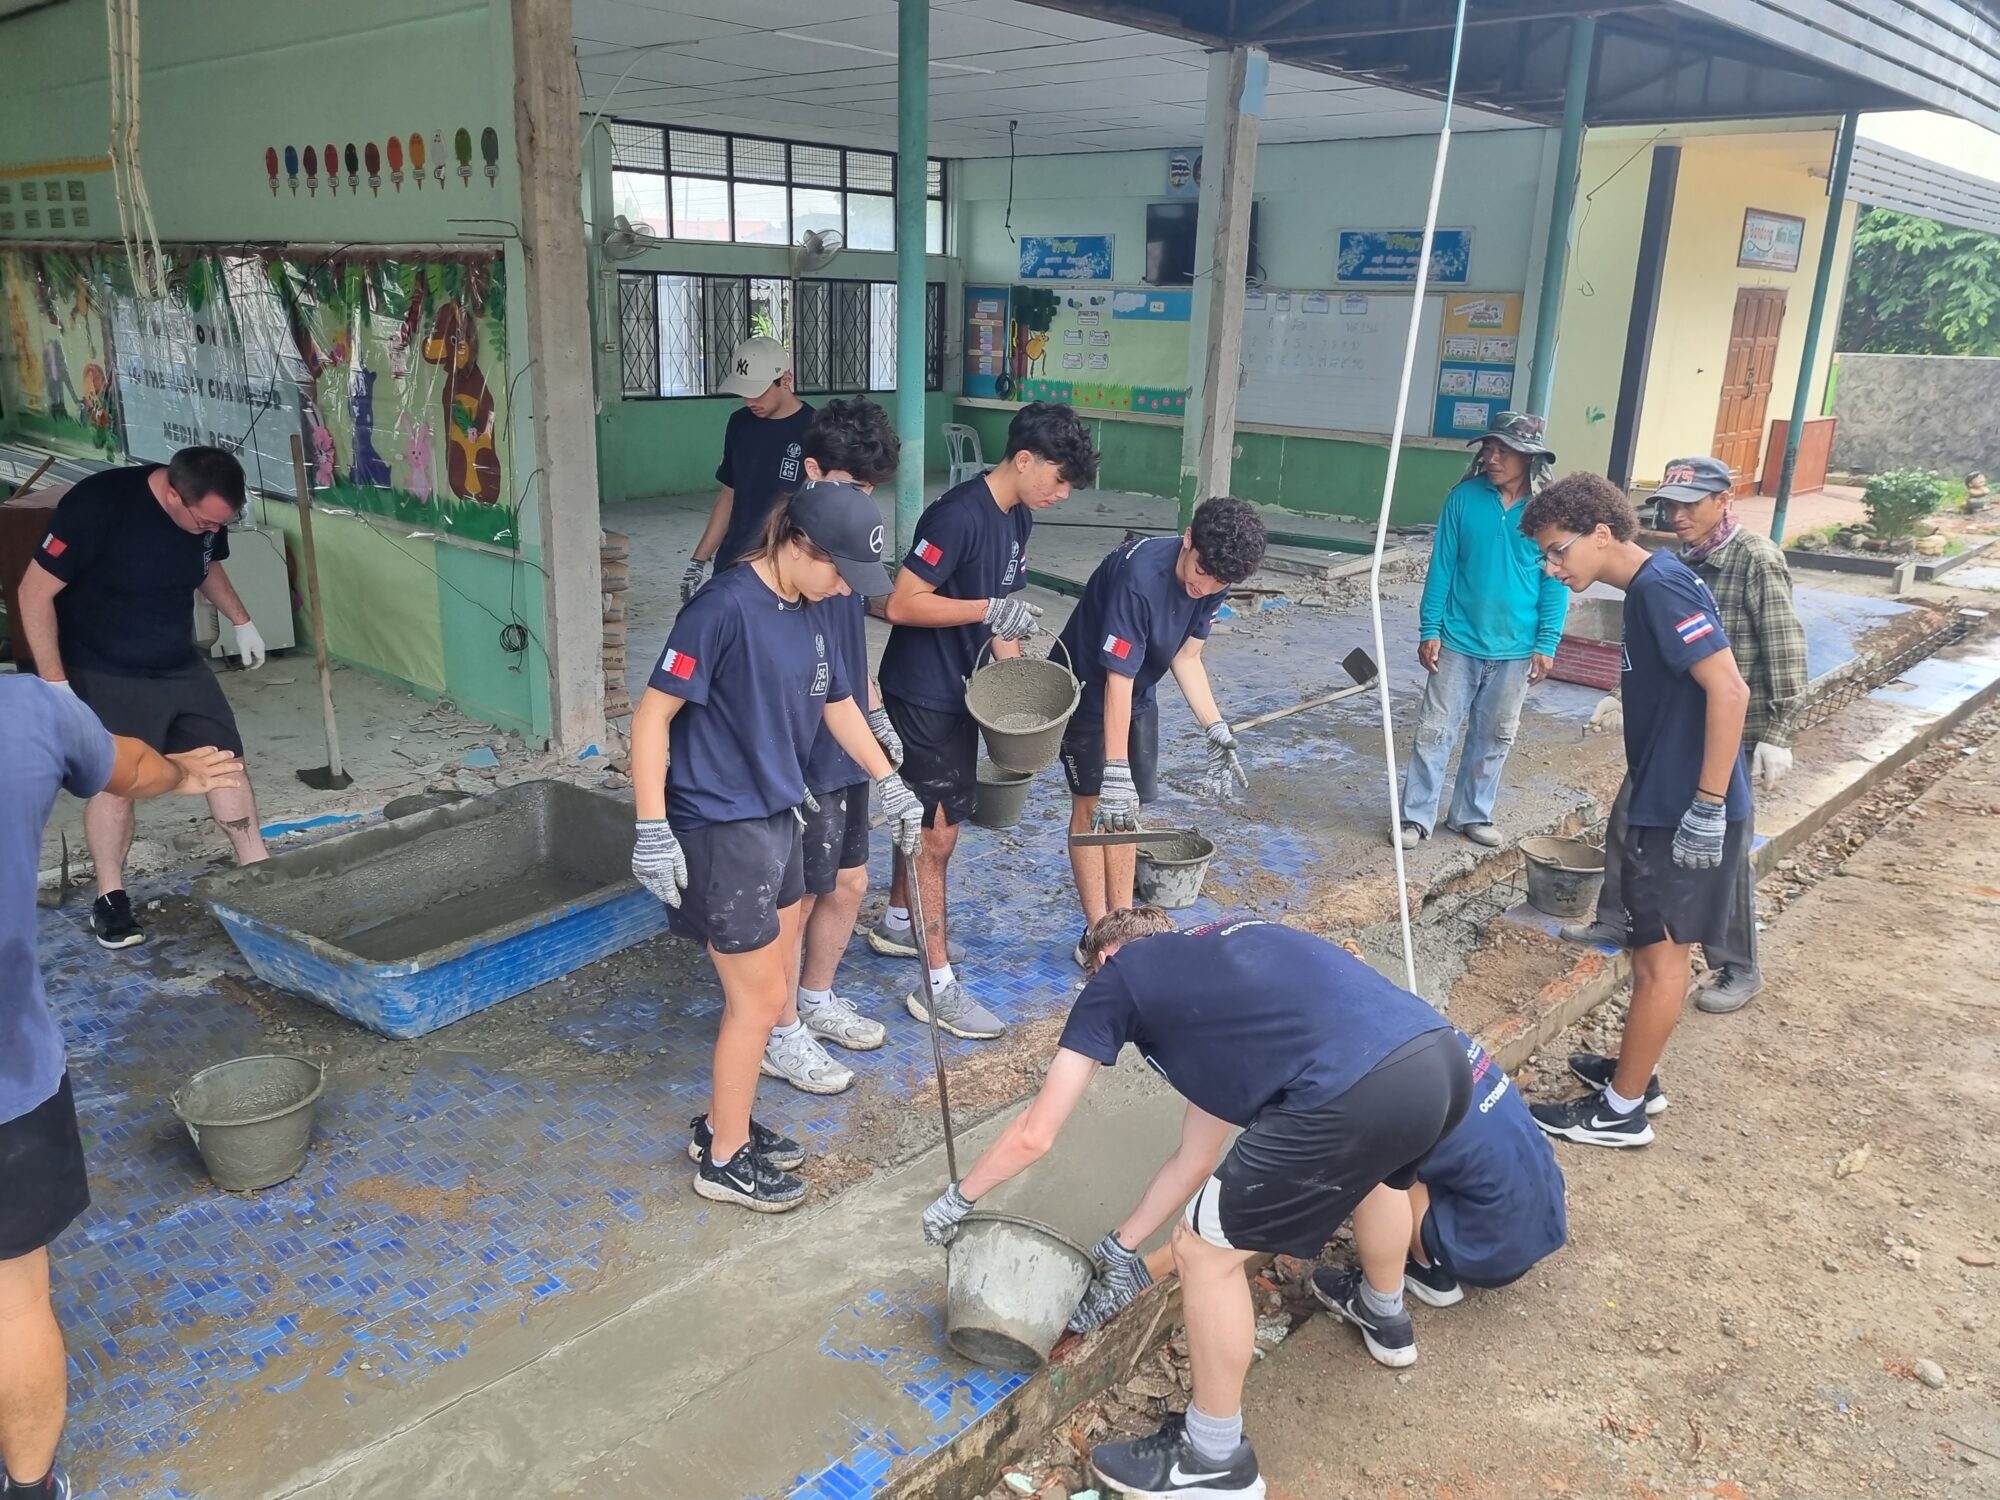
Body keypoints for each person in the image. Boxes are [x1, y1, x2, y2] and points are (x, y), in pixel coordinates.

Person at [922, 908, 1471, 1500]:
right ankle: (1384, 1313)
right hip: (1438, 1059)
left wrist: (959, 1198)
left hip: (1357, 1087)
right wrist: (1123, 1251)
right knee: (1378, 1178)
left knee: (1204, 1250)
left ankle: (1211, 1458)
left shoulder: (1120, 977)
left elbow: (1037, 1132)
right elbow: (1196, 1156)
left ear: (1104, 959)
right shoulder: (1226, 965)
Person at [629, 482, 926, 1210]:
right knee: (758, 1003)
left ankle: (720, 1126)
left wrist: (890, 781)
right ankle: (723, 1162)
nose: (845, 588)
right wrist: (649, 826)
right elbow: (650, 719)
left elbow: (835, 703)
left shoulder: (816, 606)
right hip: (720, 822)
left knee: (777, 977)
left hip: (779, 812)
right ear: (797, 544)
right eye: (838, 570)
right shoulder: (721, 610)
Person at [2, 675, 244, 1500]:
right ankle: (30, 1488)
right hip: (7, 1080)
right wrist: (184, 774)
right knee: (12, 1299)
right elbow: (133, 767)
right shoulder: (30, 713)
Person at [1520, 473, 1751, 1149]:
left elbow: (1729, 691)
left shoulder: (1661, 588)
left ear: (1600, 534)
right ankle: (1634, 1076)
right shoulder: (1651, 587)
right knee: (1650, 946)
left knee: (1660, 959)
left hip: (1685, 807)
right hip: (1666, 794)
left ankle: (1622, 1113)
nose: (1552, 566)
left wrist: (1706, 807)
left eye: (1558, 551)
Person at [870, 402, 1099, 1040]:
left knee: (929, 818)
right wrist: (990, 608)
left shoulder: (1018, 516)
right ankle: (936, 987)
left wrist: (1015, 691)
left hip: (967, 692)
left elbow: (1001, 619)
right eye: (1057, 479)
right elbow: (901, 603)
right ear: (1023, 459)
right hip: (924, 693)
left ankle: (896, 919)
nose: (1060, 494)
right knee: (937, 836)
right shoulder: (957, 515)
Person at [1562, 455, 1808, 1016]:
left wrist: (1779, 731)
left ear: (1725, 500)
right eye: (1670, 505)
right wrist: (1622, 697)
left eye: (1691, 504)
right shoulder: (1674, 564)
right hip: (1679, 729)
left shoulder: (1755, 560)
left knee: (1718, 853)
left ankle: (1737, 964)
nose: (1678, 515)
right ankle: (1621, 917)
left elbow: (1784, 649)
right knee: (1628, 820)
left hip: (1731, 729)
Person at [15, 446, 271, 951]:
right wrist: (55, 684)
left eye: (222, 524)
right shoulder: (99, 505)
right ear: (173, 494)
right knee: (120, 783)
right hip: (105, 665)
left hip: (177, 659)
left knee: (225, 764)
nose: (213, 532)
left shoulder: (207, 522)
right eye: (205, 522)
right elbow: (32, 592)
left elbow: (204, 567)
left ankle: (265, 882)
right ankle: (111, 901)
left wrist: (243, 621)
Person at [1055, 498, 1266, 965]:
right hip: (1088, 689)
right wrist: (1113, 768)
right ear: (1188, 538)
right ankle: (1095, 939)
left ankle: (1123, 925)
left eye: (1218, 581)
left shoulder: (1215, 577)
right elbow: (1116, 681)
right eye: (1202, 570)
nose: (1204, 585)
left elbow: (1186, 658)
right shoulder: (1139, 579)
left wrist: (1214, 726)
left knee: (1127, 812)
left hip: (1139, 689)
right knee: (1095, 806)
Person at [780, 398, 907, 1093]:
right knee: (792, 899)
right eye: (850, 487)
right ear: (810, 472)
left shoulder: (849, 543)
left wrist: (877, 716)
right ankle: (777, 1031)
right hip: (800, 750)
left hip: (848, 732)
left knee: (850, 880)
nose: (861, 505)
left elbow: (849, 643)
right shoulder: (792, 552)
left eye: (870, 491)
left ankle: (815, 999)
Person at [1312, 1028, 1567, 1367]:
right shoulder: (1438, 1034)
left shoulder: (1387, 1079)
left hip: (1489, 1251)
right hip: (1542, 1220)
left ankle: (1412, 1285)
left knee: (1375, 1161)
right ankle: (1432, 1253)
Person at [1398, 412, 1568, 851]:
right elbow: (1442, 568)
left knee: (1495, 735)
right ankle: (1416, 819)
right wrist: (1429, 628)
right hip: (1457, 639)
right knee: (1434, 731)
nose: (1492, 458)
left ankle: (1471, 814)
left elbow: (1557, 579)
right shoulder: (1463, 499)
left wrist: (1547, 641)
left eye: (1503, 451)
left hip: (1516, 647)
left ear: (1529, 458)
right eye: (1488, 449)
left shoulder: (1547, 512)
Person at [680, 335, 815, 600]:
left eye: (758, 391)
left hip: (784, 570)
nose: (750, 400)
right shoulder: (739, 424)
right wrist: (698, 561)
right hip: (733, 561)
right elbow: (728, 495)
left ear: (786, 380)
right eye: (744, 392)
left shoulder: (816, 430)